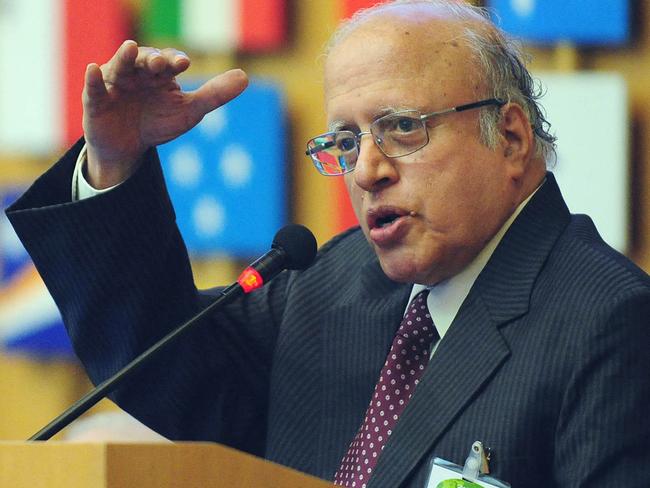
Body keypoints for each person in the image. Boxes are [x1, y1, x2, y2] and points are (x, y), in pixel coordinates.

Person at [7, 1, 650, 486]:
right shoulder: (333, 280)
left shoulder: (611, 322)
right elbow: (164, 363)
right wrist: (115, 161)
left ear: (509, 138)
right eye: (345, 142)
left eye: (402, 128)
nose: (367, 170)